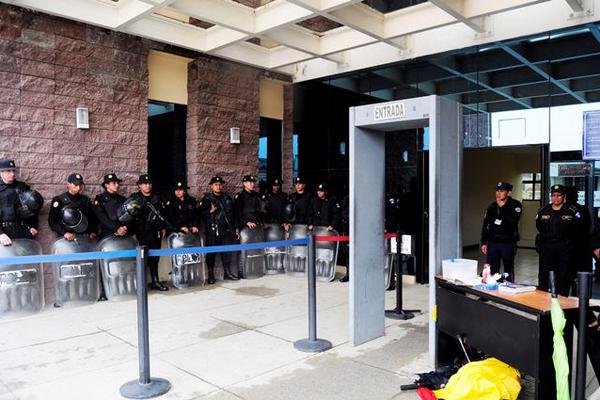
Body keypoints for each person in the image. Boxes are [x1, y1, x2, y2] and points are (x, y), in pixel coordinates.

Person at [536, 184, 580, 296]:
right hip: (547, 248)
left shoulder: (571, 211)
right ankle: (542, 301)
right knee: (544, 276)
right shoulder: (543, 210)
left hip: (563, 249)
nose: (556, 198)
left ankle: (561, 301)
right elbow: (539, 227)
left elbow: (577, 230)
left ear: (564, 196)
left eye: (559, 195)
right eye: (553, 195)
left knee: (563, 276)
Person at [129, 174, 169, 291]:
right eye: (145, 184)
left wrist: (163, 228)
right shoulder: (135, 198)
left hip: (155, 232)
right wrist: (133, 232)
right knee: (142, 259)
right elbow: (131, 216)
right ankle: (141, 284)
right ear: (139, 186)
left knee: (155, 258)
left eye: (149, 183)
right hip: (142, 232)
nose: (148, 186)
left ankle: (155, 282)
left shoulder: (157, 197)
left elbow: (162, 214)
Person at [480, 181, 522, 282]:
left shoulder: (515, 205)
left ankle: (508, 290)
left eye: (502, 191)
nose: (498, 193)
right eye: (497, 190)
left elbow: (512, 222)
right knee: (492, 269)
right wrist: (484, 242)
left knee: (508, 269)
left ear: (509, 193)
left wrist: (503, 208)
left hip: (508, 242)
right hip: (493, 242)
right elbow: (486, 225)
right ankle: (492, 291)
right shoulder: (492, 207)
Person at [199, 176, 239, 283]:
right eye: (216, 184)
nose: (218, 187)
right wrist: (209, 212)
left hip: (226, 230)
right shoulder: (207, 200)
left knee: (226, 253)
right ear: (211, 186)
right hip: (212, 230)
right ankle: (211, 275)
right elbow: (199, 214)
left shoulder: (227, 198)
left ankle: (227, 272)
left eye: (220, 184)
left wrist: (236, 228)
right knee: (211, 253)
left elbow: (234, 214)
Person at [0, 159, 42, 246]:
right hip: (4, 232)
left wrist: (33, 226)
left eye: (13, 171)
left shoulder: (23, 187)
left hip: (23, 230)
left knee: (25, 257)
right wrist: (0, 234)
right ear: (1, 173)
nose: (12, 174)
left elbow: (33, 207)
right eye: (8, 171)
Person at [48, 173, 96, 240]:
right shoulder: (59, 200)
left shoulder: (85, 200)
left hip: (83, 236)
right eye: (76, 185)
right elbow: (52, 221)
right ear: (68, 184)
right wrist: (64, 233)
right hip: (65, 237)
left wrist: (92, 232)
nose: (79, 187)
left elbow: (91, 218)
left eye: (80, 185)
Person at [93, 173, 129, 240]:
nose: (117, 185)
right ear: (106, 185)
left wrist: (125, 227)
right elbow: (101, 217)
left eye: (117, 183)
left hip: (123, 233)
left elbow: (129, 215)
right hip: (107, 234)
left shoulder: (122, 199)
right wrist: (116, 228)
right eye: (114, 183)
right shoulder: (100, 199)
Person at [565, 186, 591, 275]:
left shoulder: (580, 209)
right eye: (575, 194)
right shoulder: (563, 208)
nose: (576, 196)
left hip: (577, 245)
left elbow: (585, 227)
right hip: (569, 245)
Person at [339, 194, 350, 282]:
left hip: (360, 229)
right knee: (348, 253)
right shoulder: (347, 198)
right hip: (348, 229)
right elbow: (343, 213)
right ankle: (349, 273)